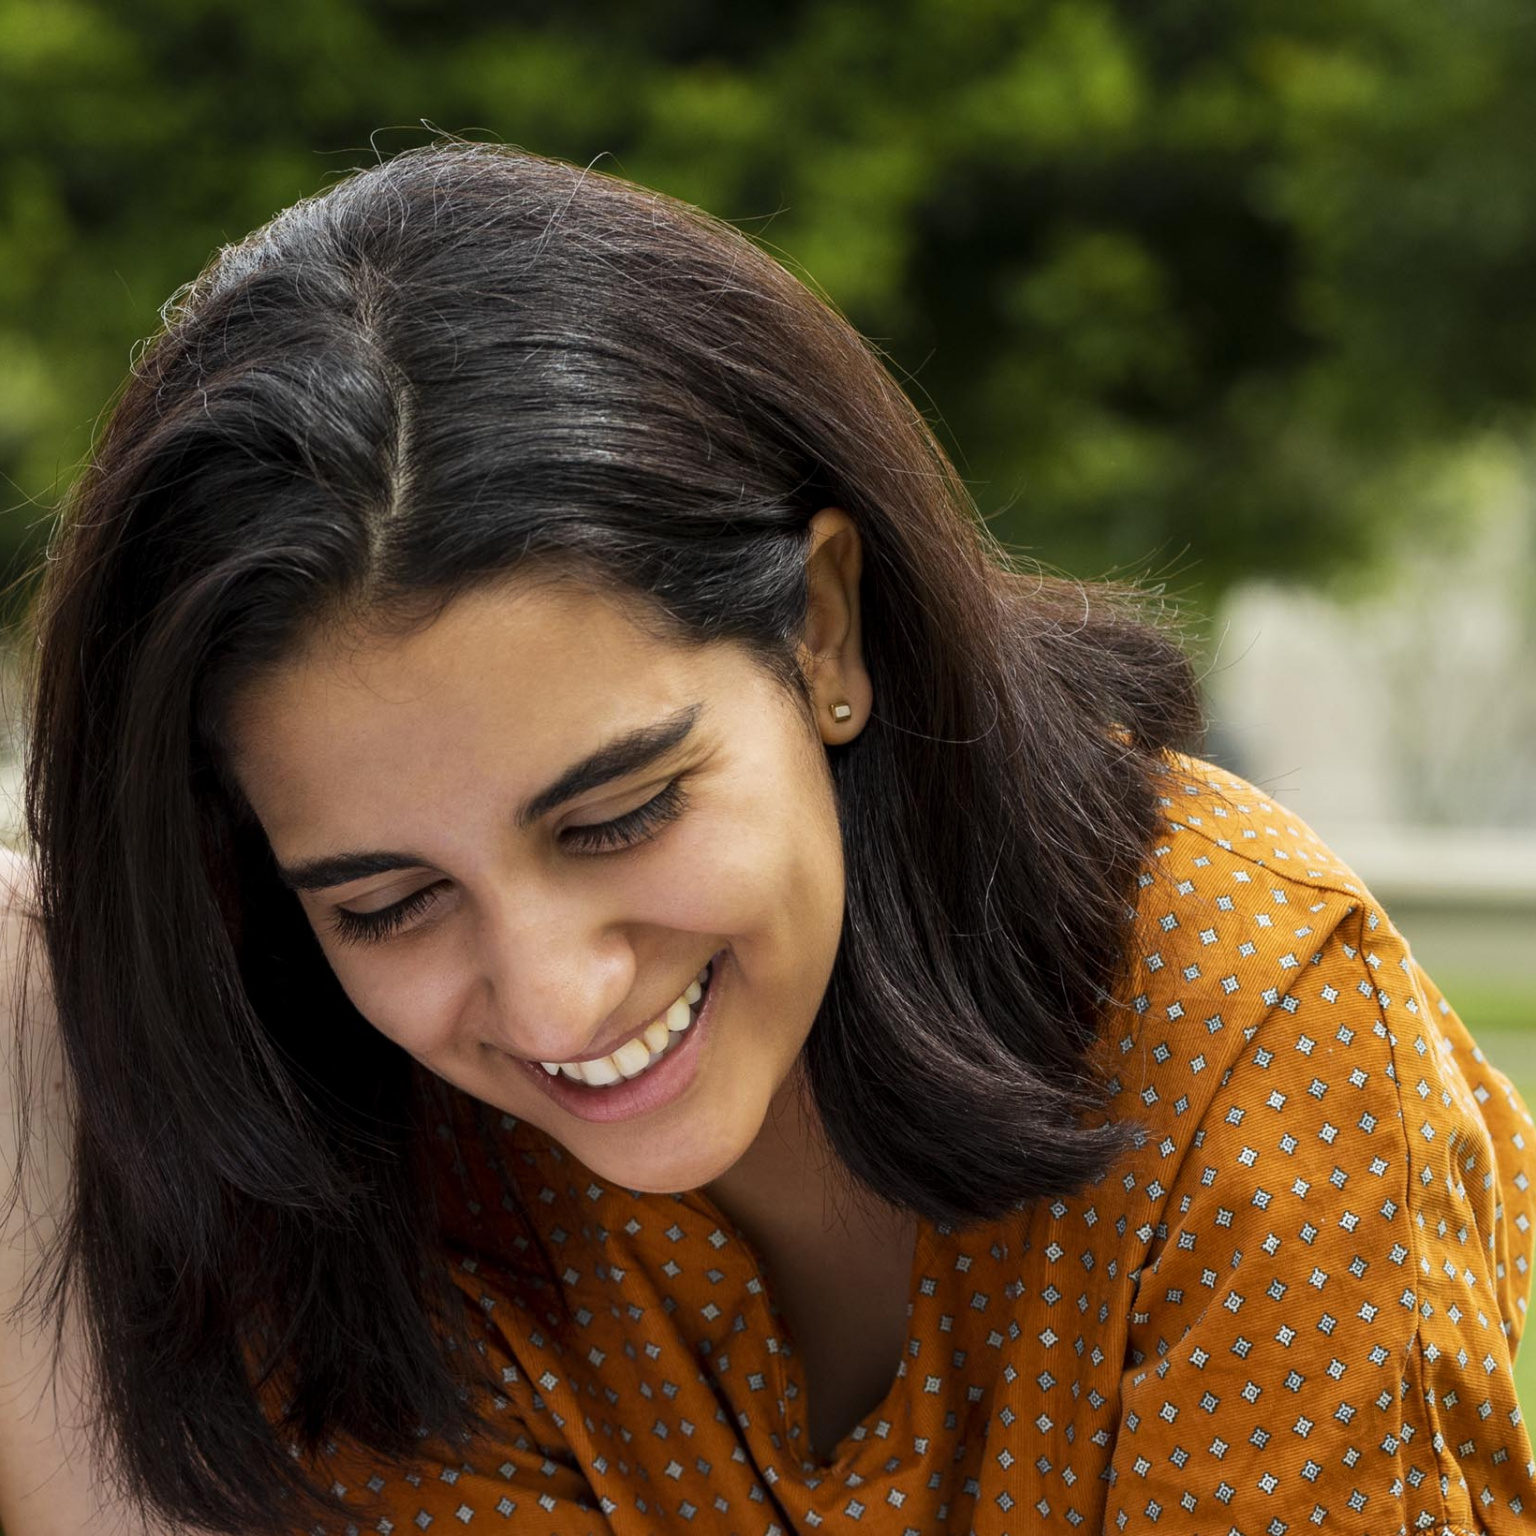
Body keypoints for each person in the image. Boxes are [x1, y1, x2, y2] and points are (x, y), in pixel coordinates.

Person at [1, 141, 1532, 1536]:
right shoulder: (340, 1129)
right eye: (390, 904)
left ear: (823, 634)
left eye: (619, 815)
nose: (552, 1000)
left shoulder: (1246, 1007)